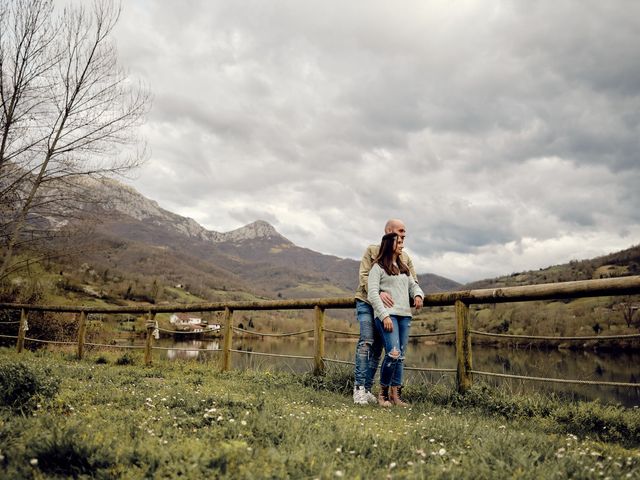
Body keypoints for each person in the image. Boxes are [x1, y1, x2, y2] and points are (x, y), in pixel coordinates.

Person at [352, 219, 423, 405]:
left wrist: (416, 295)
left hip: (391, 309)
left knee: (378, 349)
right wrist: (379, 292)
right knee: (366, 342)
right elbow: (364, 277)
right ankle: (359, 388)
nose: (404, 235)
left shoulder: (405, 258)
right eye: (400, 231)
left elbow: (412, 281)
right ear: (389, 232)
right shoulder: (372, 251)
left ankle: (370, 389)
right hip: (367, 301)